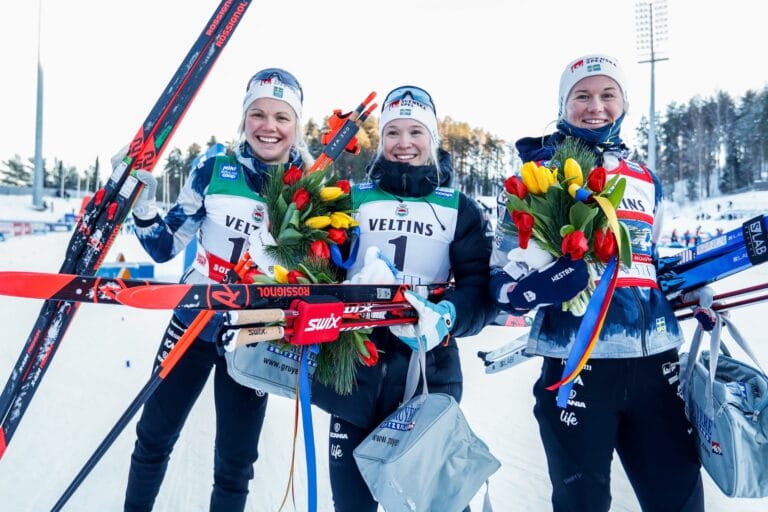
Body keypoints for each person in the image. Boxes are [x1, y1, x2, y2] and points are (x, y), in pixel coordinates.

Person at [490, 55, 704, 511]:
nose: (596, 106)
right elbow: (501, 274)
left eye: (608, 95)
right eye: (581, 96)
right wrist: (530, 288)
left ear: (624, 102)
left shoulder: (647, 180)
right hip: (577, 365)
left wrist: (693, 287)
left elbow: (650, 264)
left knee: (681, 499)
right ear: (562, 104)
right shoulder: (538, 176)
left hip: (655, 366)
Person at [123, 68, 313, 511]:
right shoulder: (213, 169)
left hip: (253, 331)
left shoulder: (311, 186)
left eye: (282, 118)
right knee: (153, 435)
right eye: (258, 114)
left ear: (297, 125)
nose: (269, 127)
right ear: (244, 118)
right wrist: (145, 210)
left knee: (236, 462)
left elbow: (316, 274)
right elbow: (167, 246)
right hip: (194, 317)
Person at [312, 85, 496, 512]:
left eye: (416, 132)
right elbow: (318, 273)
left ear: (433, 138)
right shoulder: (349, 199)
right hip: (354, 375)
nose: (404, 143)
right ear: (381, 140)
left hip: (428, 373)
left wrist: (446, 316)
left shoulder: (459, 208)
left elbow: (480, 294)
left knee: (434, 503)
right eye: (393, 132)